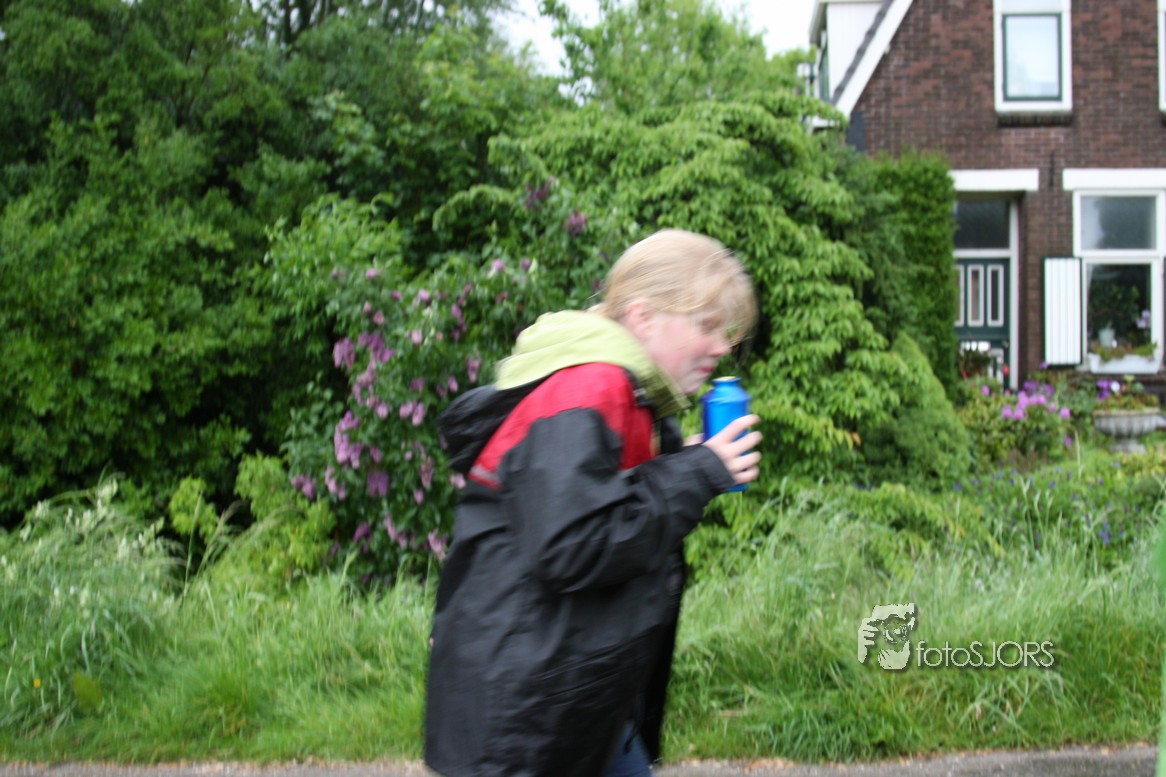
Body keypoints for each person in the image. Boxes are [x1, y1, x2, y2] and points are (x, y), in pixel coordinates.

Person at [424, 228, 762, 777]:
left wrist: (686, 462)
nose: (722, 347)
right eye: (706, 325)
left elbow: (597, 503)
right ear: (643, 316)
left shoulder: (625, 392)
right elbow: (573, 544)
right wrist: (698, 472)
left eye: (725, 332)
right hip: (526, 717)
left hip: (564, 699)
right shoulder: (588, 385)